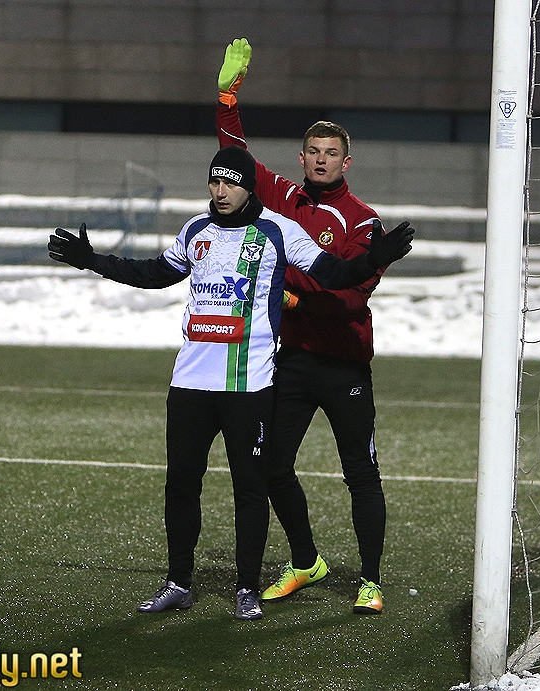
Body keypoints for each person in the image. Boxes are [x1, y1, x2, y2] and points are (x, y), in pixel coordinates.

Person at [48, 145, 413, 620]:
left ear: (248, 187)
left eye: (231, 182)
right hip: (190, 383)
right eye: (215, 181)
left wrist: (373, 259)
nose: (221, 191)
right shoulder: (195, 230)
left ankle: (246, 587)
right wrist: (92, 260)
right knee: (181, 485)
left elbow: (335, 273)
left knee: (250, 489)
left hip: (248, 385)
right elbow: (154, 274)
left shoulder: (280, 231)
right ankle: (178, 582)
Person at [216, 38, 399, 614]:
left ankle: (370, 579)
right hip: (291, 360)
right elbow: (236, 162)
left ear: (346, 163)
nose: (321, 160)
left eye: (331, 153)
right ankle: (305, 561)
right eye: (313, 152)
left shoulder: (363, 221)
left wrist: (294, 298)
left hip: (344, 363)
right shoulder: (285, 199)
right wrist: (227, 101)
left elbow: (351, 293)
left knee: (360, 473)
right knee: (272, 466)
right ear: (302, 158)